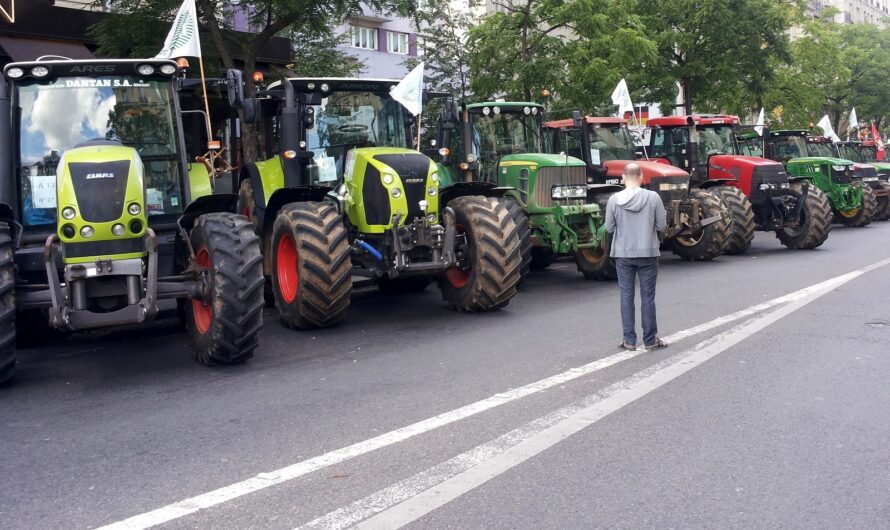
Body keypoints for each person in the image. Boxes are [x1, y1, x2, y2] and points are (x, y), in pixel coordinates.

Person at [604, 162, 668, 351]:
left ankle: (629, 341)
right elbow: (661, 226)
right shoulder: (654, 197)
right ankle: (650, 340)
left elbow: (609, 228)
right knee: (648, 297)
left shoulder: (613, 200)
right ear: (641, 177)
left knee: (626, 296)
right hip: (648, 252)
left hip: (623, 254)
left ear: (623, 178)